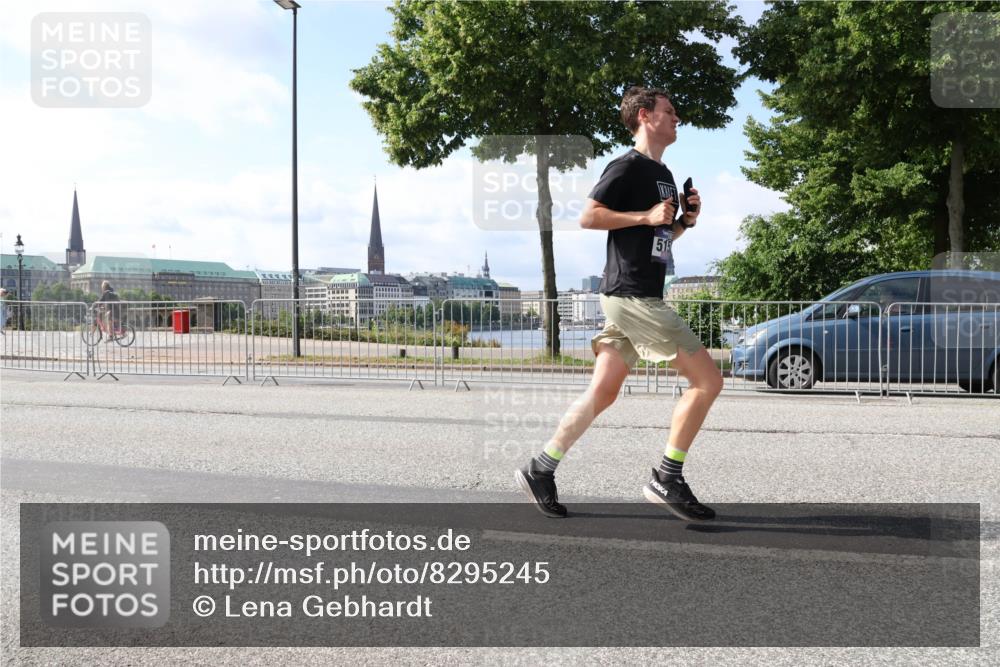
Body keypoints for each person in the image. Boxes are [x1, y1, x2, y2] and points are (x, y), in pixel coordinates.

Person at [516, 86, 722, 521]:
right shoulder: (626, 166)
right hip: (634, 297)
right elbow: (589, 216)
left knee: (603, 391)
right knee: (707, 381)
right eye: (669, 110)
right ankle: (667, 476)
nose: (676, 117)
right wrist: (644, 216)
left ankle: (541, 468)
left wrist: (684, 221)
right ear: (645, 116)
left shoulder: (663, 173)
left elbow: (657, 239)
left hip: (631, 294)